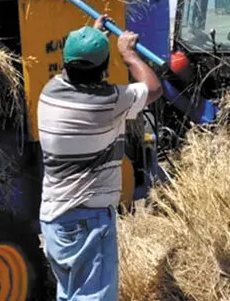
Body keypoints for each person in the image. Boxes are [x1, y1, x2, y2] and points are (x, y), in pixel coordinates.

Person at [37, 15, 163, 301]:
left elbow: (78, 68)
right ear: (105, 67)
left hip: (55, 221)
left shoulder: (50, 92)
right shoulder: (107, 103)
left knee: (70, 294)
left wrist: (92, 39)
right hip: (87, 222)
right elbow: (153, 88)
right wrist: (129, 54)